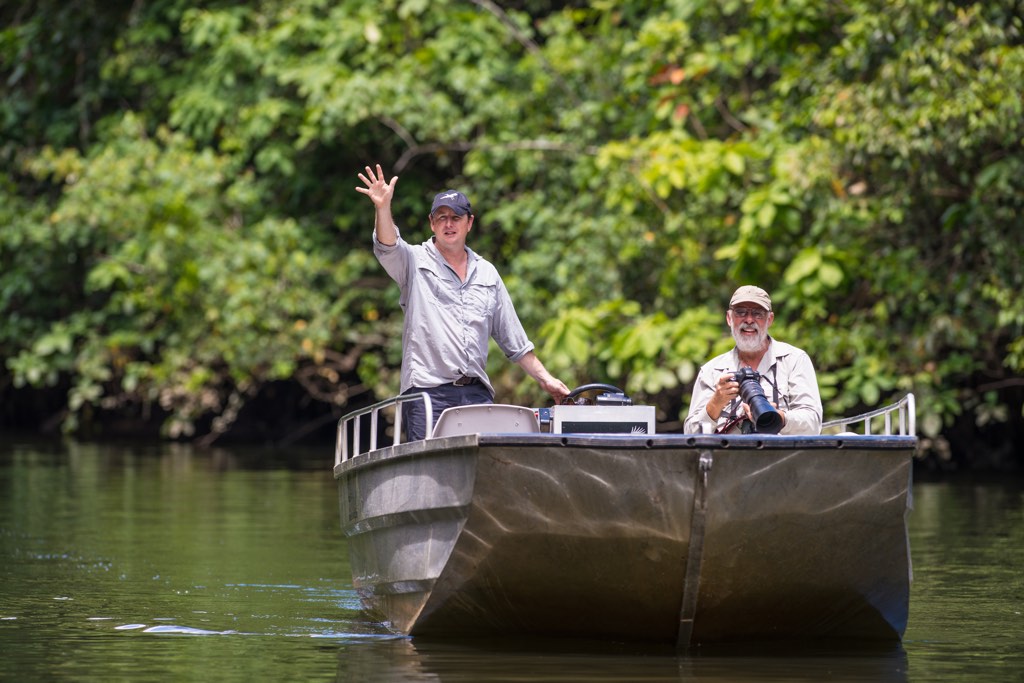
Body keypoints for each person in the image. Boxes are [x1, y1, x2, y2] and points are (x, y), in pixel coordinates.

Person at [356, 164, 570, 441]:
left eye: (456, 217)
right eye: (441, 217)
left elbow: (515, 342)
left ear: (469, 223)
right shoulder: (413, 261)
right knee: (429, 469)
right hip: (427, 392)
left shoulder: (487, 273)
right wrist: (382, 208)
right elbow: (387, 246)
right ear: (431, 223)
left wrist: (546, 380)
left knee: (488, 467)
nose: (449, 224)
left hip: (476, 393)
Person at [684, 285, 822, 435]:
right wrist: (715, 403)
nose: (749, 320)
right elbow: (691, 435)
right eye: (741, 312)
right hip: (727, 457)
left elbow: (813, 424)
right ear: (729, 318)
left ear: (769, 319)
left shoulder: (794, 360)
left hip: (782, 455)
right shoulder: (712, 371)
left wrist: (778, 418)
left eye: (758, 314)